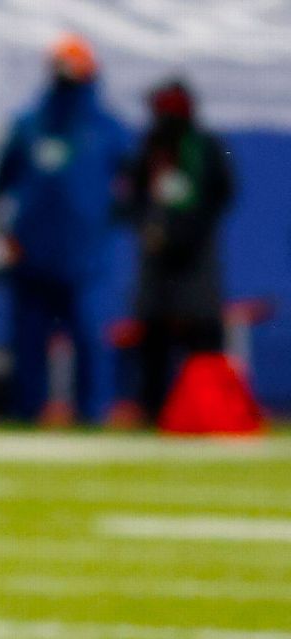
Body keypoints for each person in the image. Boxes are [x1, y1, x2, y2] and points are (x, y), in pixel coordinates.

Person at [0, 33, 130, 424]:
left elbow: (134, 184)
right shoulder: (30, 123)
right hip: (34, 252)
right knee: (29, 341)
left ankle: (93, 413)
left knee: (90, 337)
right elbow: (2, 178)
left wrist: (112, 221)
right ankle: (27, 411)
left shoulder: (107, 128)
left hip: (85, 256)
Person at [127, 79, 234, 420]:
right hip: (158, 259)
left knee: (203, 337)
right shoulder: (151, 147)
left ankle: (211, 411)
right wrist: (149, 228)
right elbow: (136, 196)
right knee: (154, 339)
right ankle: (154, 411)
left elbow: (222, 194)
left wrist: (188, 233)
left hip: (195, 258)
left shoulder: (205, 147)